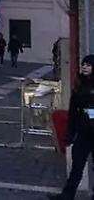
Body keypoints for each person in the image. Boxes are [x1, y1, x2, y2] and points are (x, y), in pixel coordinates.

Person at [51, 53, 94, 200]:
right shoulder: (79, 83)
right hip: (83, 131)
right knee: (77, 165)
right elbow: (73, 108)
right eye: (83, 64)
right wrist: (70, 132)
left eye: (88, 65)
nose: (84, 67)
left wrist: (90, 112)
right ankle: (67, 195)